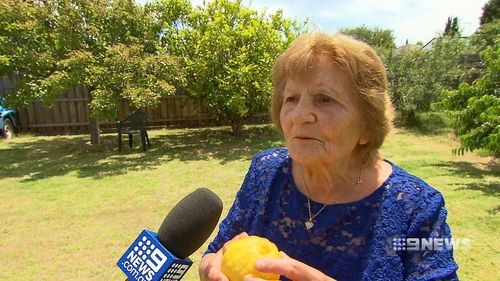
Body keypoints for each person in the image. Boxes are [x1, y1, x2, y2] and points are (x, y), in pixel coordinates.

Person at [199, 32, 459, 281]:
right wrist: (210, 268)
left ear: (367, 126)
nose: (299, 115)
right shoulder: (265, 172)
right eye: (291, 98)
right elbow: (217, 250)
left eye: (324, 99)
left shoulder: (418, 208)